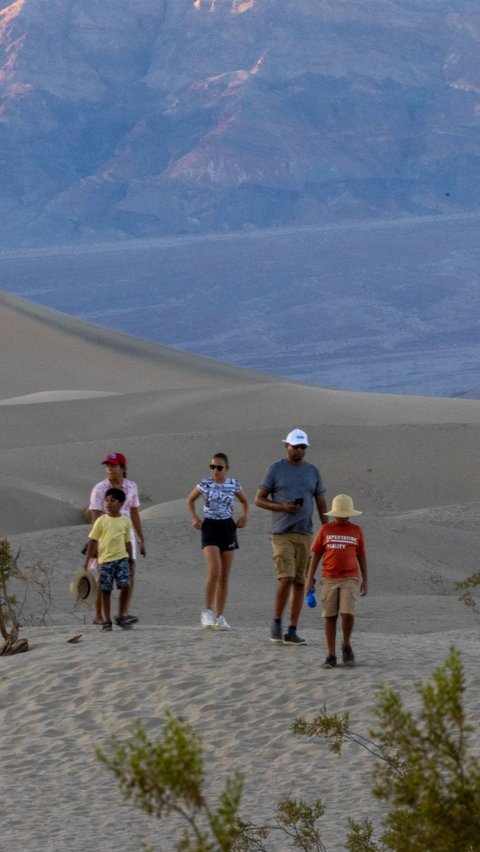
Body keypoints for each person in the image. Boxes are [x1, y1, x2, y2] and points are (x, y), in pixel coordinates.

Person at [255, 428, 327, 645]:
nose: (299, 451)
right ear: (286, 446)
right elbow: (259, 499)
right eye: (295, 447)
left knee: (299, 582)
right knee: (285, 577)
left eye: (302, 447)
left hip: (305, 533)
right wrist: (282, 507)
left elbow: (321, 501)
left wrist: (328, 530)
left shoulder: (313, 471)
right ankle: (276, 623)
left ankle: (292, 629)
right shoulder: (275, 469)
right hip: (282, 532)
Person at [187, 452, 249, 630]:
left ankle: (220, 616)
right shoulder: (205, 483)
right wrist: (194, 518)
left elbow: (244, 501)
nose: (215, 470)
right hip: (210, 527)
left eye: (219, 467)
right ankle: (207, 611)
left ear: (226, 468)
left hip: (228, 527)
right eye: (212, 467)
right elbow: (190, 500)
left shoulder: (233, 484)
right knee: (215, 570)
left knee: (224, 576)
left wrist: (244, 516)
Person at [306, 493, 368, 668]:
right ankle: (331, 654)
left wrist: (365, 579)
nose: (342, 516)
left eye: (345, 513)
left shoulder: (356, 530)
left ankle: (346, 643)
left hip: (350, 577)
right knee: (330, 616)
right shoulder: (325, 530)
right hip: (329, 578)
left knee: (347, 612)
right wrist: (309, 579)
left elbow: (361, 555)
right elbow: (316, 554)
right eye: (339, 513)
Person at [88, 452, 146, 625]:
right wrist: (95, 542)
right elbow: (96, 515)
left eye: (113, 466)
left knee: (130, 572)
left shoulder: (131, 486)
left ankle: (123, 613)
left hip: (126, 533)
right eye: (108, 466)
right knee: (103, 575)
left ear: (122, 468)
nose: (110, 469)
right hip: (106, 534)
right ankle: (99, 615)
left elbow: (135, 512)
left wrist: (142, 539)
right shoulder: (100, 489)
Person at [83, 487, 133, 632]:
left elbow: (128, 541)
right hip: (105, 561)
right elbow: (92, 541)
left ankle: (121, 615)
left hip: (122, 559)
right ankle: (107, 620)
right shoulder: (101, 521)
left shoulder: (125, 521)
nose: (108, 503)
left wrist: (130, 561)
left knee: (125, 586)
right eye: (106, 500)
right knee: (105, 590)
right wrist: (87, 561)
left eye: (113, 500)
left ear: (121, 503)